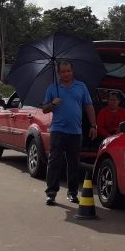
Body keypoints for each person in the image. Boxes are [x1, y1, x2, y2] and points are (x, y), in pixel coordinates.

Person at [41, 59, 97, 206]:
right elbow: (44, 109)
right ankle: (51, 193)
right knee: (54, 162)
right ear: (58, 73)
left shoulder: (81, 87)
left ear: (72, 71)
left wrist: (93, 125)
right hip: (58, 130)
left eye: (69, 71)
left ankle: (72, 193)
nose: (66, 74)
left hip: (75, 131)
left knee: (73, 163)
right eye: (63, 72)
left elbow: (89, 106)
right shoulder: (52, 88)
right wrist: (53, 104)